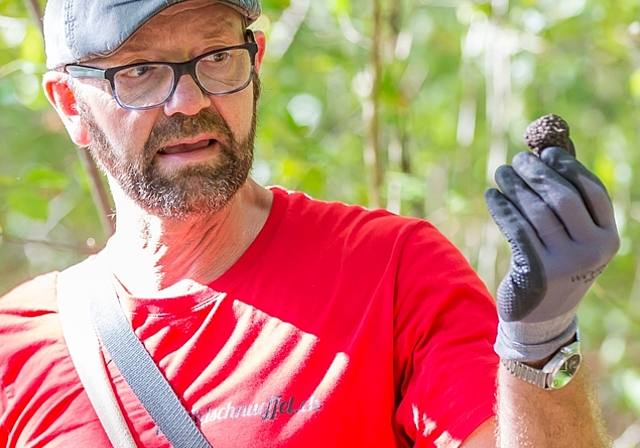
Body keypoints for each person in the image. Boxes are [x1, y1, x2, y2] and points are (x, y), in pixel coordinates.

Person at [0, 0, 620, 447]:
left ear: (255, 59)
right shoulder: (18, 348)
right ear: (70, 105)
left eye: (216, 56)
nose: (187, 100)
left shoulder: (391, 269)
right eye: (138, 71)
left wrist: (541, 343)